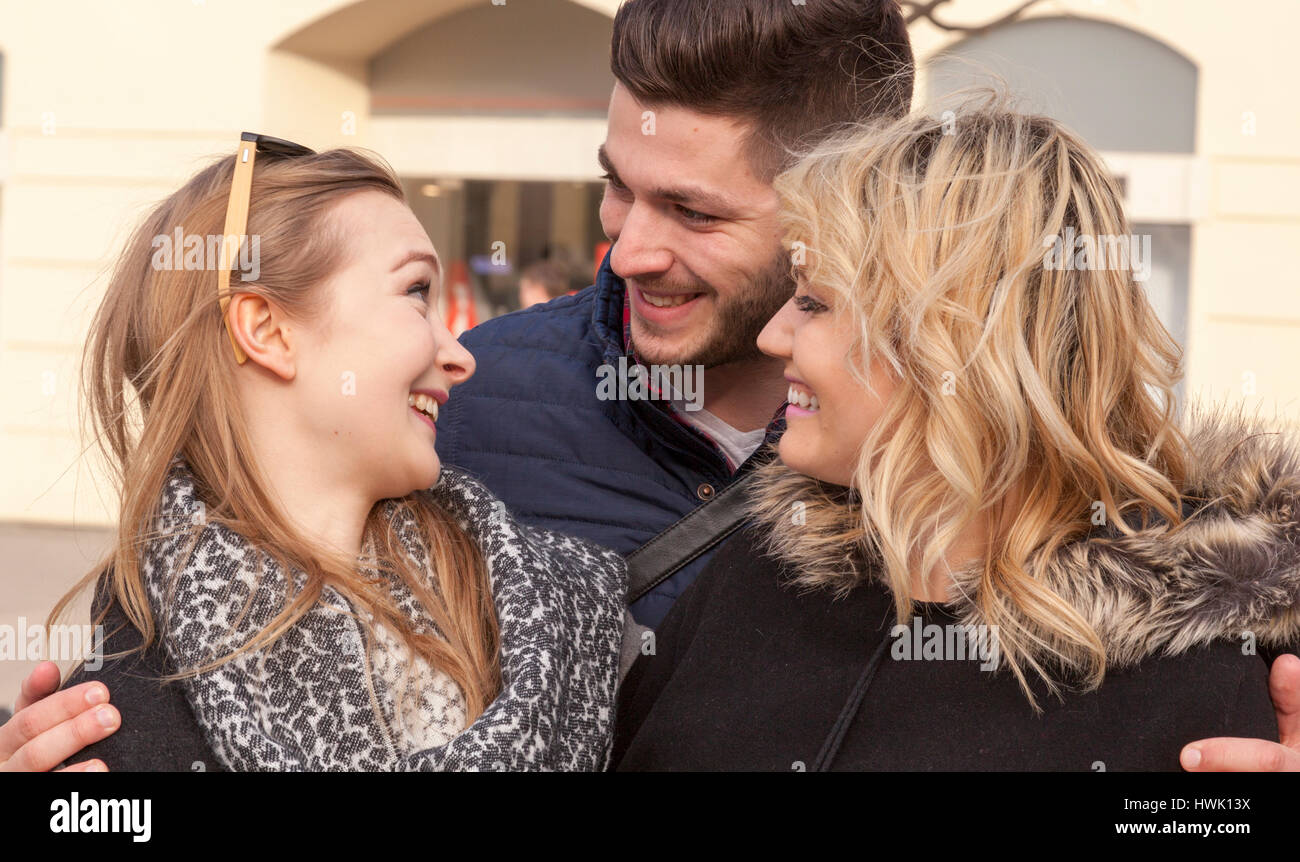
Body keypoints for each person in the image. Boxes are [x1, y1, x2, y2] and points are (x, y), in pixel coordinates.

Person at [4, 0, 1297, 772]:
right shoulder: (490, 419)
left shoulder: (1193, 656)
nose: (624, 248)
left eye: (691, 209)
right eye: (613, 188)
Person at [611, 102, 1300, 770]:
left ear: (956, 346)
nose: (773, 335)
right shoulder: (755, 581)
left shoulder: (1194, 681)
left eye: (815, 302)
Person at [24, 136, 625, 771]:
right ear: (266, 331)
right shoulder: (110, 720)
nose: (461, 357)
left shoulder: (563, 609)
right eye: (417, 291)